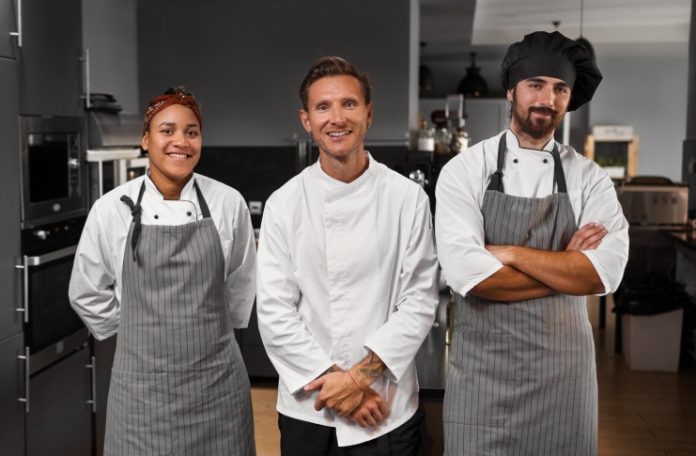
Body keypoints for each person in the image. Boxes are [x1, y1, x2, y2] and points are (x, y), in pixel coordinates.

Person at [436, 31, 629, 455]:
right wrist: (566, 266)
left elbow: (604, 273)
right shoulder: (465, 171)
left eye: (560, 88)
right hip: (482, 375)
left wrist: (510, 254)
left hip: (563, 376)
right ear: (511, 91)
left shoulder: (588, 177)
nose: (548, 98)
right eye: (535, 85)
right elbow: (470, 276)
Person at [256, 56, 439, 455]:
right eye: (323, 107)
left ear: (369, 114)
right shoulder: (284, 203)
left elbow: (420, 301)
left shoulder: (406, 199)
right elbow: (274, 311)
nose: (336, 118)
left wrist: (358, 379)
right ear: (307, 120)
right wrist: (343, 387)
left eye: (349, 104)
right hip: (311, 408)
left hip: (385, 408)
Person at [69, 87, 257, 455]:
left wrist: (208, 330)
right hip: (141, 391)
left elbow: (241, 280)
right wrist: (139, 330)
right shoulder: (110, 209)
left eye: (191, 132)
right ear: (145, 139)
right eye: (167, 130)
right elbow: (86, 292)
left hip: (216, 383)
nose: (180, 142)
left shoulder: (227, 202)